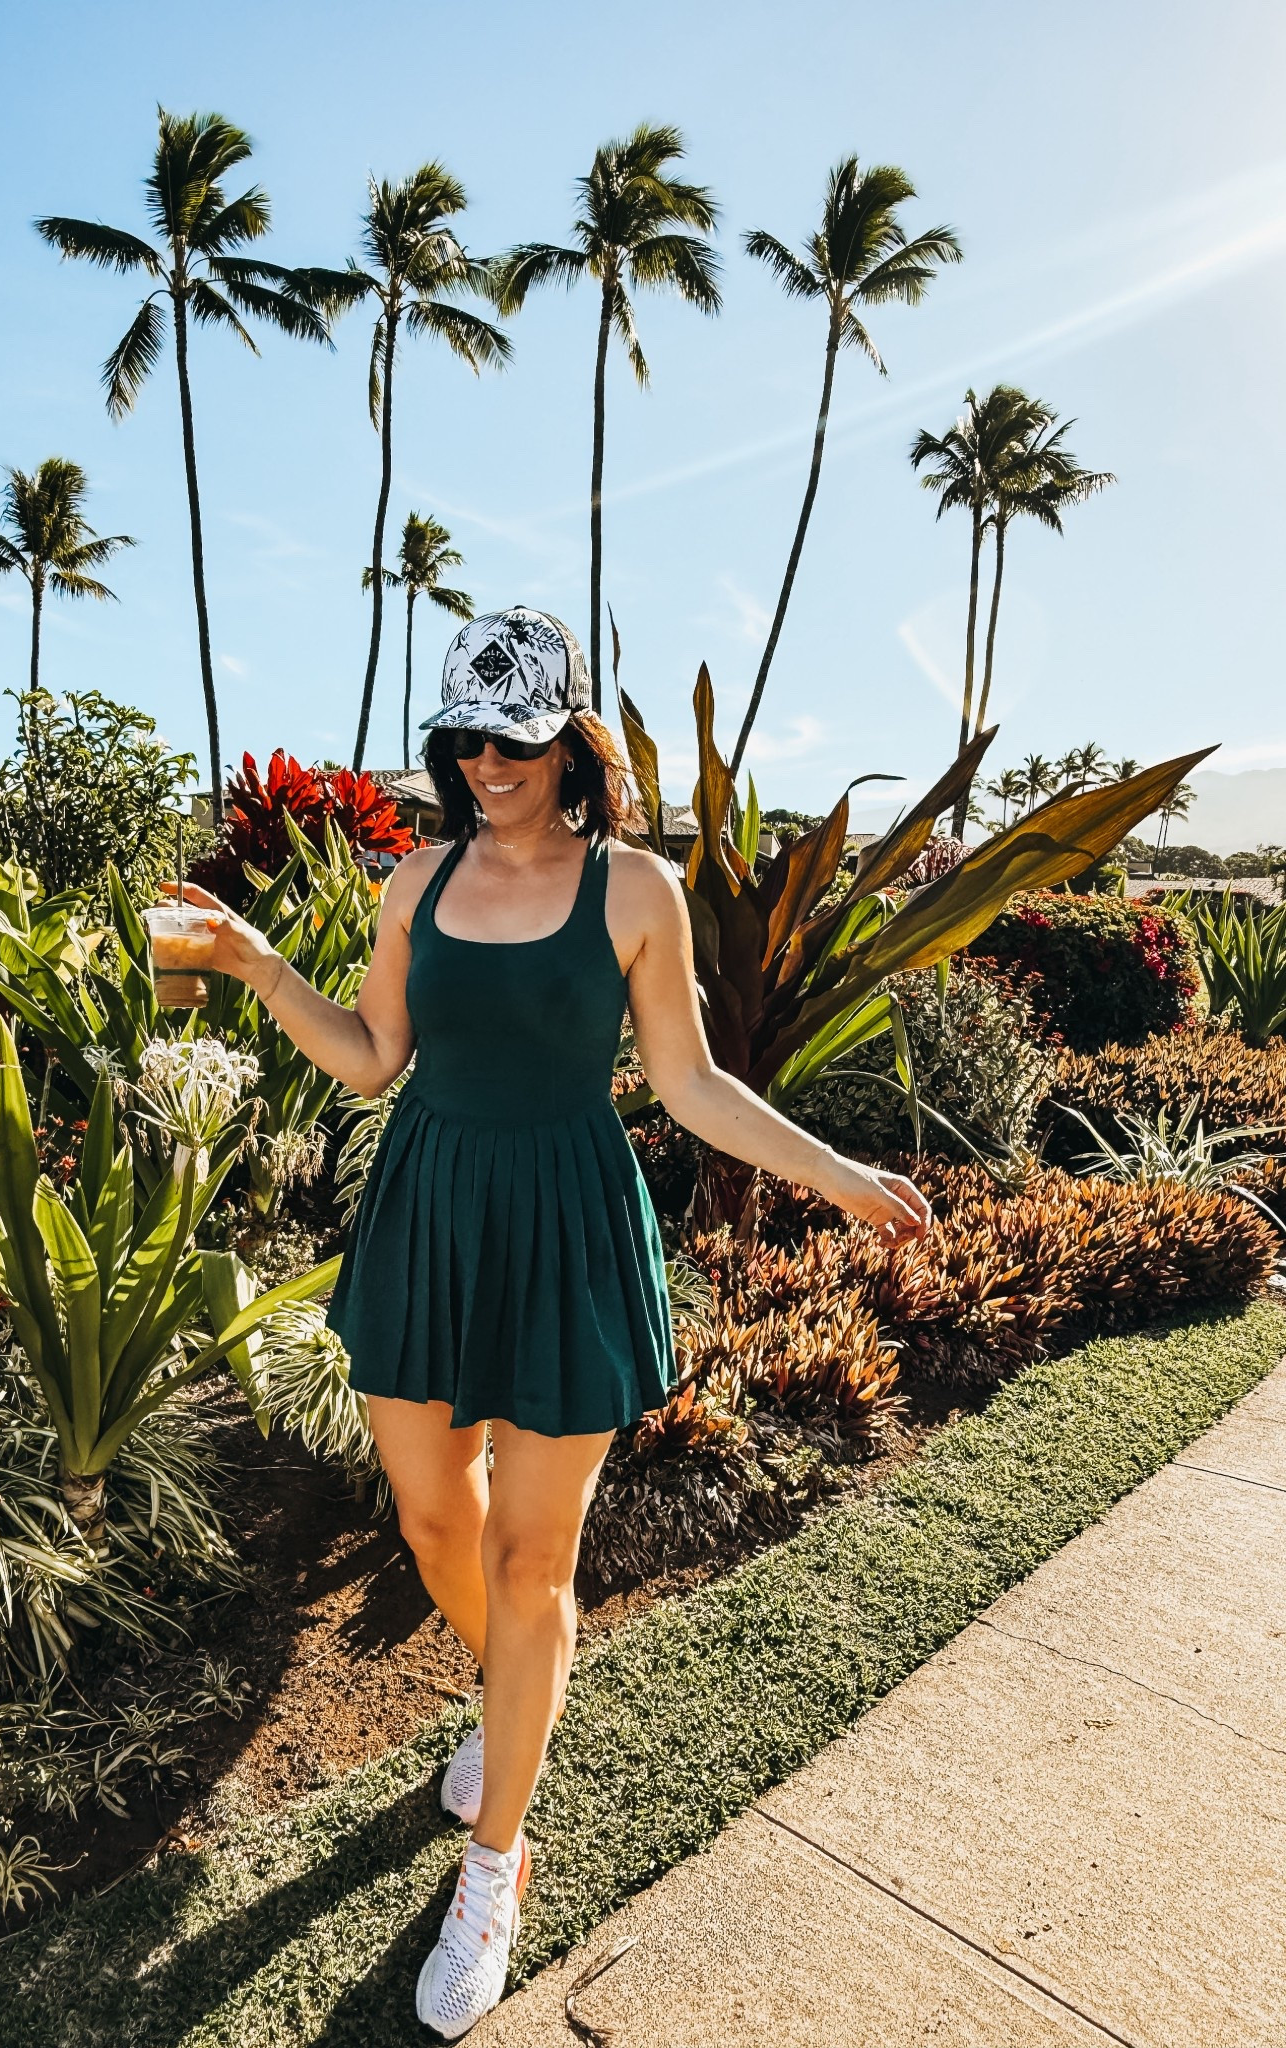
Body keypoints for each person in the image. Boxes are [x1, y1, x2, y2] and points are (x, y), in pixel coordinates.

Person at [165, 605, 932, 2039]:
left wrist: (834, 1171)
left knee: (533, 1558)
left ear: (567, 737)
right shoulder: (416, 880)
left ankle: (494, 1857)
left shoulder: (635, 888)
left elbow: (691, 1086)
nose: (489, 762)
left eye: (516, 737)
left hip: (570, 1224)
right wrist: (259, 968)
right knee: (434, 1529)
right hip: (436, 1212)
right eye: (466, 738)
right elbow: (371, 1060)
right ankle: (517, 1688)